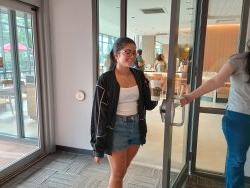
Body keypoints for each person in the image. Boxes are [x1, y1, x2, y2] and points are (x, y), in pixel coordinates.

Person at [91, 37, 157, 188]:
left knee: (122, 171)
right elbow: (99, 114)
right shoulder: (105, 79)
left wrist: (155, 93)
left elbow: (148, 105)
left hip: (136, 127)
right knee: (118, 174)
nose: (132, 56)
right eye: (127, 52)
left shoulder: (139, 75)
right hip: (116, 129)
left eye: (134, 53)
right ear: (116, 55)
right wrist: (98, 145)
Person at [180, 48, 250, 188]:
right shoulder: (239, 60)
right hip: (239, 118)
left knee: (237, 160)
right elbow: (216, 81)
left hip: (240, 119)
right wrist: (190, 96)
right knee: (237, 160)